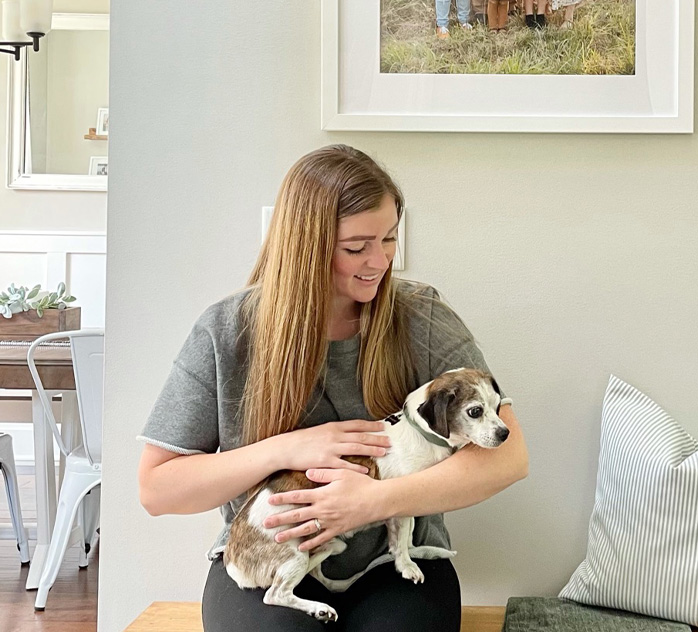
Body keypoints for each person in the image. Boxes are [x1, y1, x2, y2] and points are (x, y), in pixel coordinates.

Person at [137, 145, 528, 632]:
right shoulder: (226, 331)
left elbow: (511, 458)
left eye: (388, 239)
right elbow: (156, 489)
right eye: (355, 247)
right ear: (305, 245)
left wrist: (372, 502)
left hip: (394, 563)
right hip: (271, 559)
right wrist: (286, 449)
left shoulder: (422, 317)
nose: (380, 260)